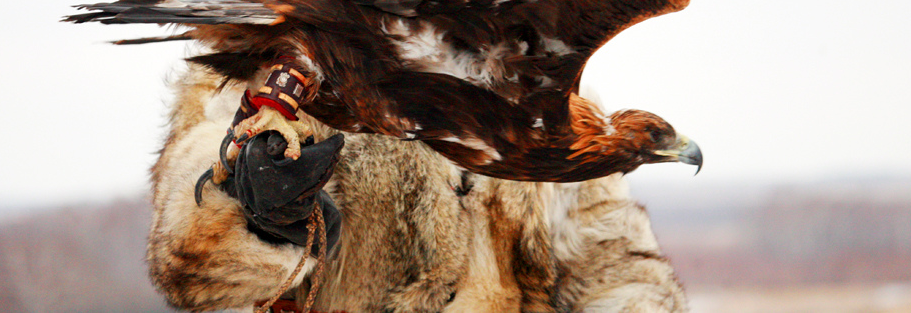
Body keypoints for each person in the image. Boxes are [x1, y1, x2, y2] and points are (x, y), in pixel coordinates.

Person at [146, 62, 689, 312]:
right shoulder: (274, 68)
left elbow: (611, 265)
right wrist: (256, 213)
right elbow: (193, 262)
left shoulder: (549, 104)